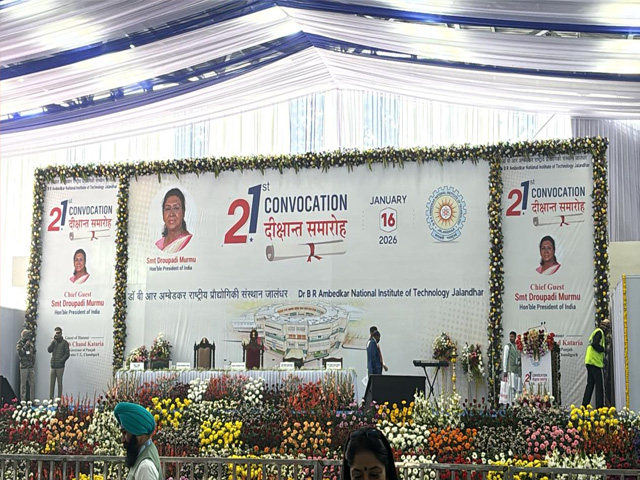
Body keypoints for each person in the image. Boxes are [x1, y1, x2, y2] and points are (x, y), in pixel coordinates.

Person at [114, 402, 161, 480]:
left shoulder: (145, 467)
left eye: (125, 433)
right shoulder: (142, 454)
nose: (122, 439)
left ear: (138, 431)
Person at [582, 319, 610, 409]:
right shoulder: (599, 332)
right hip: (595, 362)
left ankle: (584, 406)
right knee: (600, 386)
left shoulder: (596, 331)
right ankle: (600, 408)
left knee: (590, 384)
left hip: (589, 361)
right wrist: (603, 349)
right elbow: (595, 344)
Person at [155, 188, 192, 253]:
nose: (171, 214)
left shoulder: (189, 241)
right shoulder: (158, 245)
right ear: (163, 215)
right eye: (167, 209)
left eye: (176, 208)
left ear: (183, 213)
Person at [47, 326, 70, 399]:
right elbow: (49, 350)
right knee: (52, 384)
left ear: (61, 333)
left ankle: (59, 399)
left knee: (59, 383)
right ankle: (51, 400)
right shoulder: (54, 342)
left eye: (58, 333)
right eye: (56, 333)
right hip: (53, 366)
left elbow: (67, 354)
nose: (57, 334)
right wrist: (53, 342)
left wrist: (61, 361)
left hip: (60, 366)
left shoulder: (65, 343)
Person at [502, 331, 522, 404]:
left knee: (518, 388)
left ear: (515, 337)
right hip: (511, 370)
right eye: (510, 337)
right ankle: (511, 404)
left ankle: (517, 403)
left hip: (518, 370)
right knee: (512, 387)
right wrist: (505, 370)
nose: (511, 338)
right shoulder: (508, 346)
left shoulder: (518, 346)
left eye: (512, 337)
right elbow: (505, 359)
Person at [16, 329, 36, 401]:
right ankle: (23, 400)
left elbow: (34, 352)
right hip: (24, 367)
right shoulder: (19, 344)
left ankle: (32, 400)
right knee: (23, 385)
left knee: (32, 384)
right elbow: (20, 353)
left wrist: (33, 361)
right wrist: (25, 346)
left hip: (31, 366)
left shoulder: (31, 344)